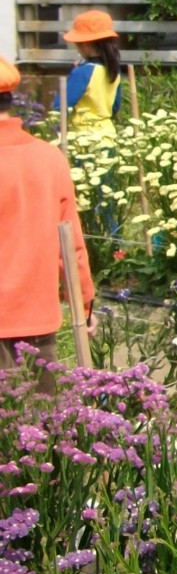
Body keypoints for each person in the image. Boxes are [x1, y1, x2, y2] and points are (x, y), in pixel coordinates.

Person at [0, 57, 96, 395]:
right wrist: (84, 304)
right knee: (40, 420)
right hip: (36, 319)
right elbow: (70, 245)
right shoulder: (49, 158)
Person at [58, 9, 123, 139]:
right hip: (108, 136)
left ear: (85, 43)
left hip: (84, 138)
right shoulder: (114, 71)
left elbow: (60, 106)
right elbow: (114, 107)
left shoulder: (82, 72)